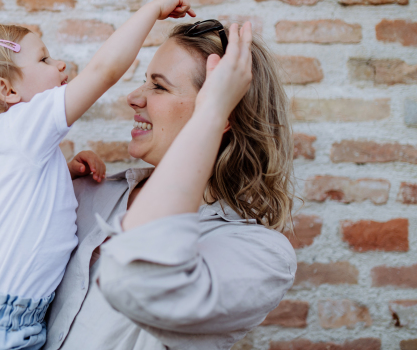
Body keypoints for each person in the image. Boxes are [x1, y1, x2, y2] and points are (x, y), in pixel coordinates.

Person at [0, 0, 197, 350]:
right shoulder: (20, 126)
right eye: (43, 59)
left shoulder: (18, 145)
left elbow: (21, 207)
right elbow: (104, 71)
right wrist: (152, 11)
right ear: (6, 90)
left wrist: (61, 173)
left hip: (8, 322)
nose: (59, 65)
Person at [44, 20, 297, 350]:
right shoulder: (86, 192)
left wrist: (213, 111)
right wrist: (44, 193)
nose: (134, 98)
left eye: (159, 87)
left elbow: (136, 281)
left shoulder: (261, 255)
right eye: (145, 82)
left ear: (224, 114)